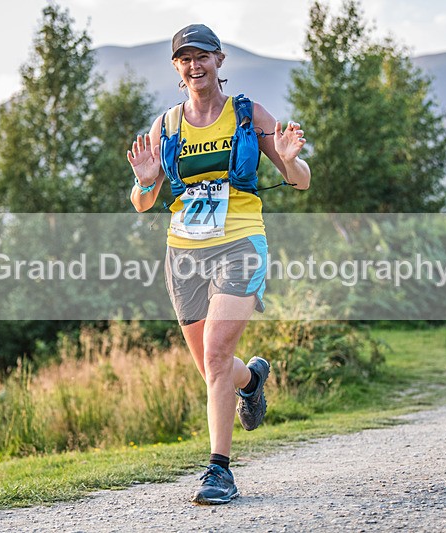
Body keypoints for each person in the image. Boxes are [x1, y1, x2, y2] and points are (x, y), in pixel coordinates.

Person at [127, 23, 311, 504]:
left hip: (240, 243)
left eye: (203, 56)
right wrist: (147, 181)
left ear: (219, 60)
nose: (195, 65)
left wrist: (290, 160)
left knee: (214, 351)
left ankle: (219, 471)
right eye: (185, 58)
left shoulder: (248, 114)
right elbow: (143, 202)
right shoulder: (166, 125)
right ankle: (251, 382)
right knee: (214, 369)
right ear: (176, 68)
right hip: (183, 249)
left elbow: (302, 180)